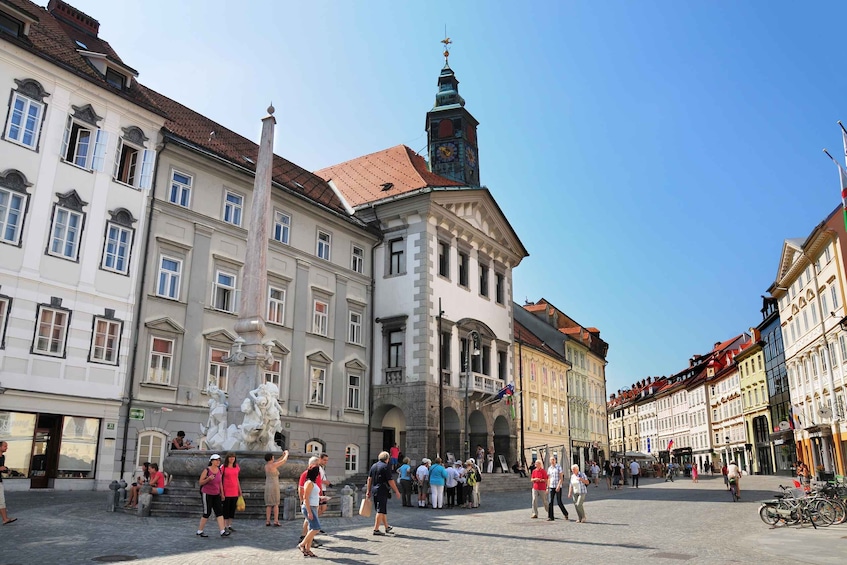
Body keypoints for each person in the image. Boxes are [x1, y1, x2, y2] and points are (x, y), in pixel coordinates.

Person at [366, 451, 401, 536]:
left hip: (374, 489)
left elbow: (369, 479)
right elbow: (390, 480)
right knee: (380, 510)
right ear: (387, 459)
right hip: (382, 489)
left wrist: (368, 490)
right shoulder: (386, 467)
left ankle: (386, 527)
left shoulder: (374, 466)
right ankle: (376, 529)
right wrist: (396, 491)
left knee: (382, 509)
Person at [196, 454, 230, 537]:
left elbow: (220, 483)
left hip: (216, 494)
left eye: (219, 460)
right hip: (207, 494)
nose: (218, 462)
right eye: (216, 460)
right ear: (211, 461)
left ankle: (222, 531)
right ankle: (200, 530)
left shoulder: (219, 470)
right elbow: (200, 482)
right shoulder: (206, 470)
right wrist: (208, 479)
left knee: (219, 512)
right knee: (207, 512)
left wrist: (222, 493)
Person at [297, 463, 321, 557]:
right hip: (309, 507)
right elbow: (305, 497)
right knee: (316, 528)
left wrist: (321, 498)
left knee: (311, 529)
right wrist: (309, 512)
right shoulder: (309, 483)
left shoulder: (313, 483)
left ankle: (308, 549)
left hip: (313, 506)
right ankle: (302, 544)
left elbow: (312, 496)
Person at [264, 450, 289, 526]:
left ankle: (268, 521)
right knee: (275, 504)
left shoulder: (267, 465)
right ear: (271, 458)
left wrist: (282, 455)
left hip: (268, 485)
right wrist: (287, 454)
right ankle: (276, 520)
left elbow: (278, 461)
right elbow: (283, 461)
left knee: (268, 504)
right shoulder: (273, 465)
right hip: (274, 485)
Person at [220, 453, 242, 533]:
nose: (232, 459)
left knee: (232, 509)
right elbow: (220, 480)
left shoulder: (236, 467)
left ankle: (229, 525)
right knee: (226, 509)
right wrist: (221, 492)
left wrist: (239, 490)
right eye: (230, 457)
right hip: (226, 491)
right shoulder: (223, 467)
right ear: (227, 458)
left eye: (233, 457)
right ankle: (225, 525)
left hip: (235, 491)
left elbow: (237, 479)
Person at [546, 456, 570, 521]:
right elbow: (548, 478)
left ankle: (565, 513)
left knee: (559, 502)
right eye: (551, 460)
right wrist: (547, 487)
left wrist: (559, 485)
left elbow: (561, 478)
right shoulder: (549, 468)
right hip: (551, 486)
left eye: (553, 460)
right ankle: (550, 516)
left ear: (555, 460)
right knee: (550, 502)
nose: (552, 461)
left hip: (558, 486)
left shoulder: (559, 467)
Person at [0, 441, 17, 525]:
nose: (6, 448)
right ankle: (5, 519)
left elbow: (2, 468)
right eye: (5, 446)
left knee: (1, 501)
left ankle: (5, 519)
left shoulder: (2, 457)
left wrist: (8, 471)